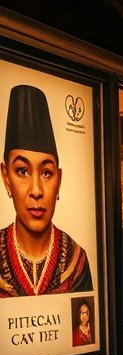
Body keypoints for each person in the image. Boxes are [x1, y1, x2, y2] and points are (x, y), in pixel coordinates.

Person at [0, 84, 92, 297]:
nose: (36, 190)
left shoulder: (74, 259)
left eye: (47, 173)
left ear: (58, 180)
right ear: (6, 178)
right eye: (22, 171)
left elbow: (83, 329)